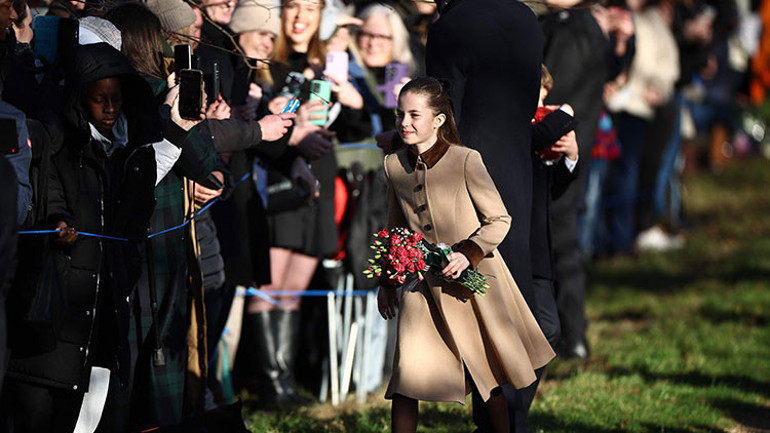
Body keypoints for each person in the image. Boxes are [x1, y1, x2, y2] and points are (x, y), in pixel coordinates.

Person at [377, 77, 554, 433]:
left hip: (470, 285)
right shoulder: (393, 165)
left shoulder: (465, 160)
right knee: (406, 377)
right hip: (421, 287)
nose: (404, 122)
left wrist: (467, 253)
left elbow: (499, 219)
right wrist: (388, 280)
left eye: (414, 115)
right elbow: (396, 228)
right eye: (399, 114)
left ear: (439, 120)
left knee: (484, 375)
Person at [421, 1, 546, 431]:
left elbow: (442, 115)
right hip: (516, 172)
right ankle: (515, 415)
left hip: (469, 182)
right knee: (516, 297)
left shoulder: (450, 27)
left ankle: (497, 420)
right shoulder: (525, 18)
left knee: (481, 302)